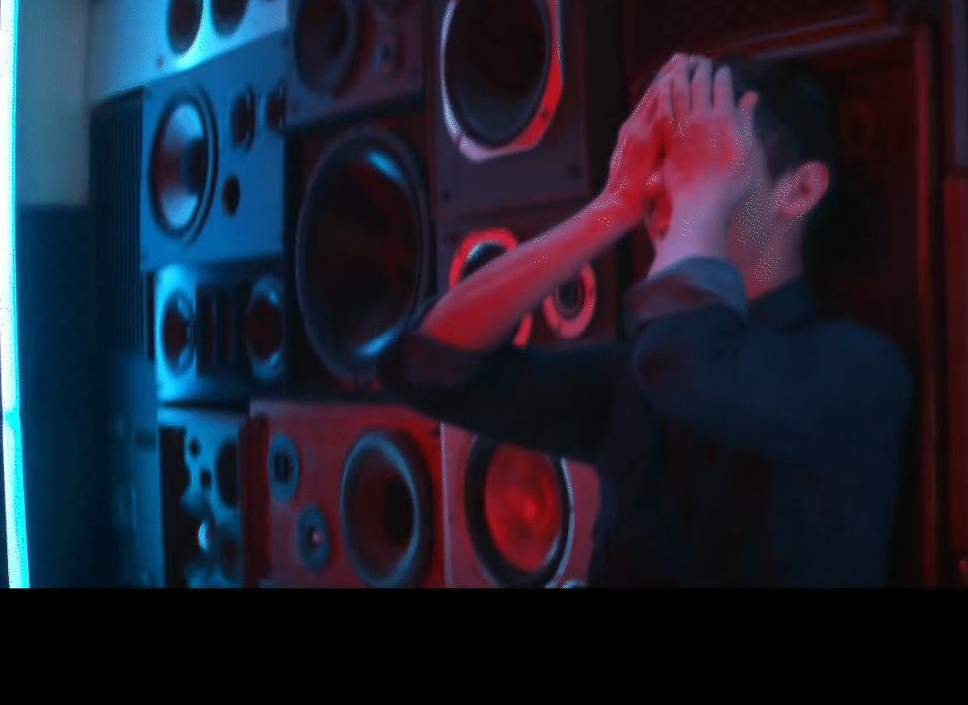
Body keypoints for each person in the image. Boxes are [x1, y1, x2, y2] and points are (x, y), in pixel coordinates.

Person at [377, 53, 913, 587]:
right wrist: (612, 204)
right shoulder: (635, 377)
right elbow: (423, 366)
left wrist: (700, 197)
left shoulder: (860, 371)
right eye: (666, 165)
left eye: (708, 159)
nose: (668, 186)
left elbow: (683, 362)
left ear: (798, 191)